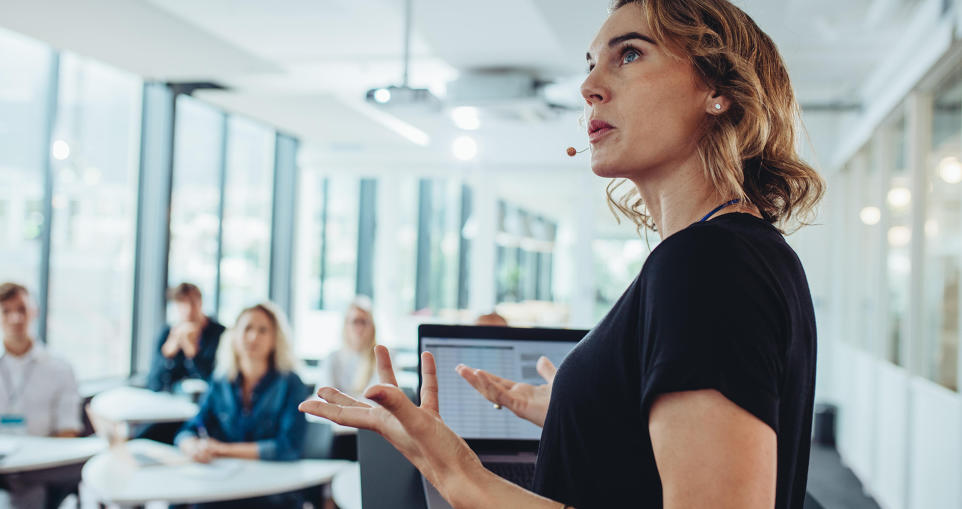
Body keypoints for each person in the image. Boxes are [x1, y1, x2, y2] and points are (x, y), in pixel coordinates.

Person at [299, 1, 825, 509]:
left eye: (631, 54)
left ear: (717, 89)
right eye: (593, 64)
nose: (589, 87)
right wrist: (587, 413)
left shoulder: (706, 264)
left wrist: (452, 470)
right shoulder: (740, 251)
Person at [175, 302, 308, 509]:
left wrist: (224, 450)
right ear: (235, 336)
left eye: (263, 330)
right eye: (247, 328)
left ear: (275, 339)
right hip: (225, 483)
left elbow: (288, 448)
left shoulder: (291, 383)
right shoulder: (220, 381)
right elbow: (190, 428)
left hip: (272, 488)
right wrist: (191, 445)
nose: (253, 337)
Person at [0, 282, 82, 509]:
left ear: (34, 311)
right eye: (6, 311)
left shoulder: (60, 368)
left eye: (21, 309)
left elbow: (68, 431)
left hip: (39, 467)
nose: (15, 319)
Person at [146, 283, 226, 393]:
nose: (188, 309)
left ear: (201, 303)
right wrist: (168, 355)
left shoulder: (220, 334)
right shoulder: (167, 333)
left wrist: (192, 354)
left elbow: (218, 381)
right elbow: (153, 383)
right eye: (182, 303)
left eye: (192, 302)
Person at [317, 296, 378, 397]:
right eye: (355, 321)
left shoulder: (381, 358)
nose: (359, 328)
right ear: (346, 325)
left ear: (372, 326)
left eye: (363, 322)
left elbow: (379, 402)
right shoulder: (332, 358)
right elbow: (324, 397)